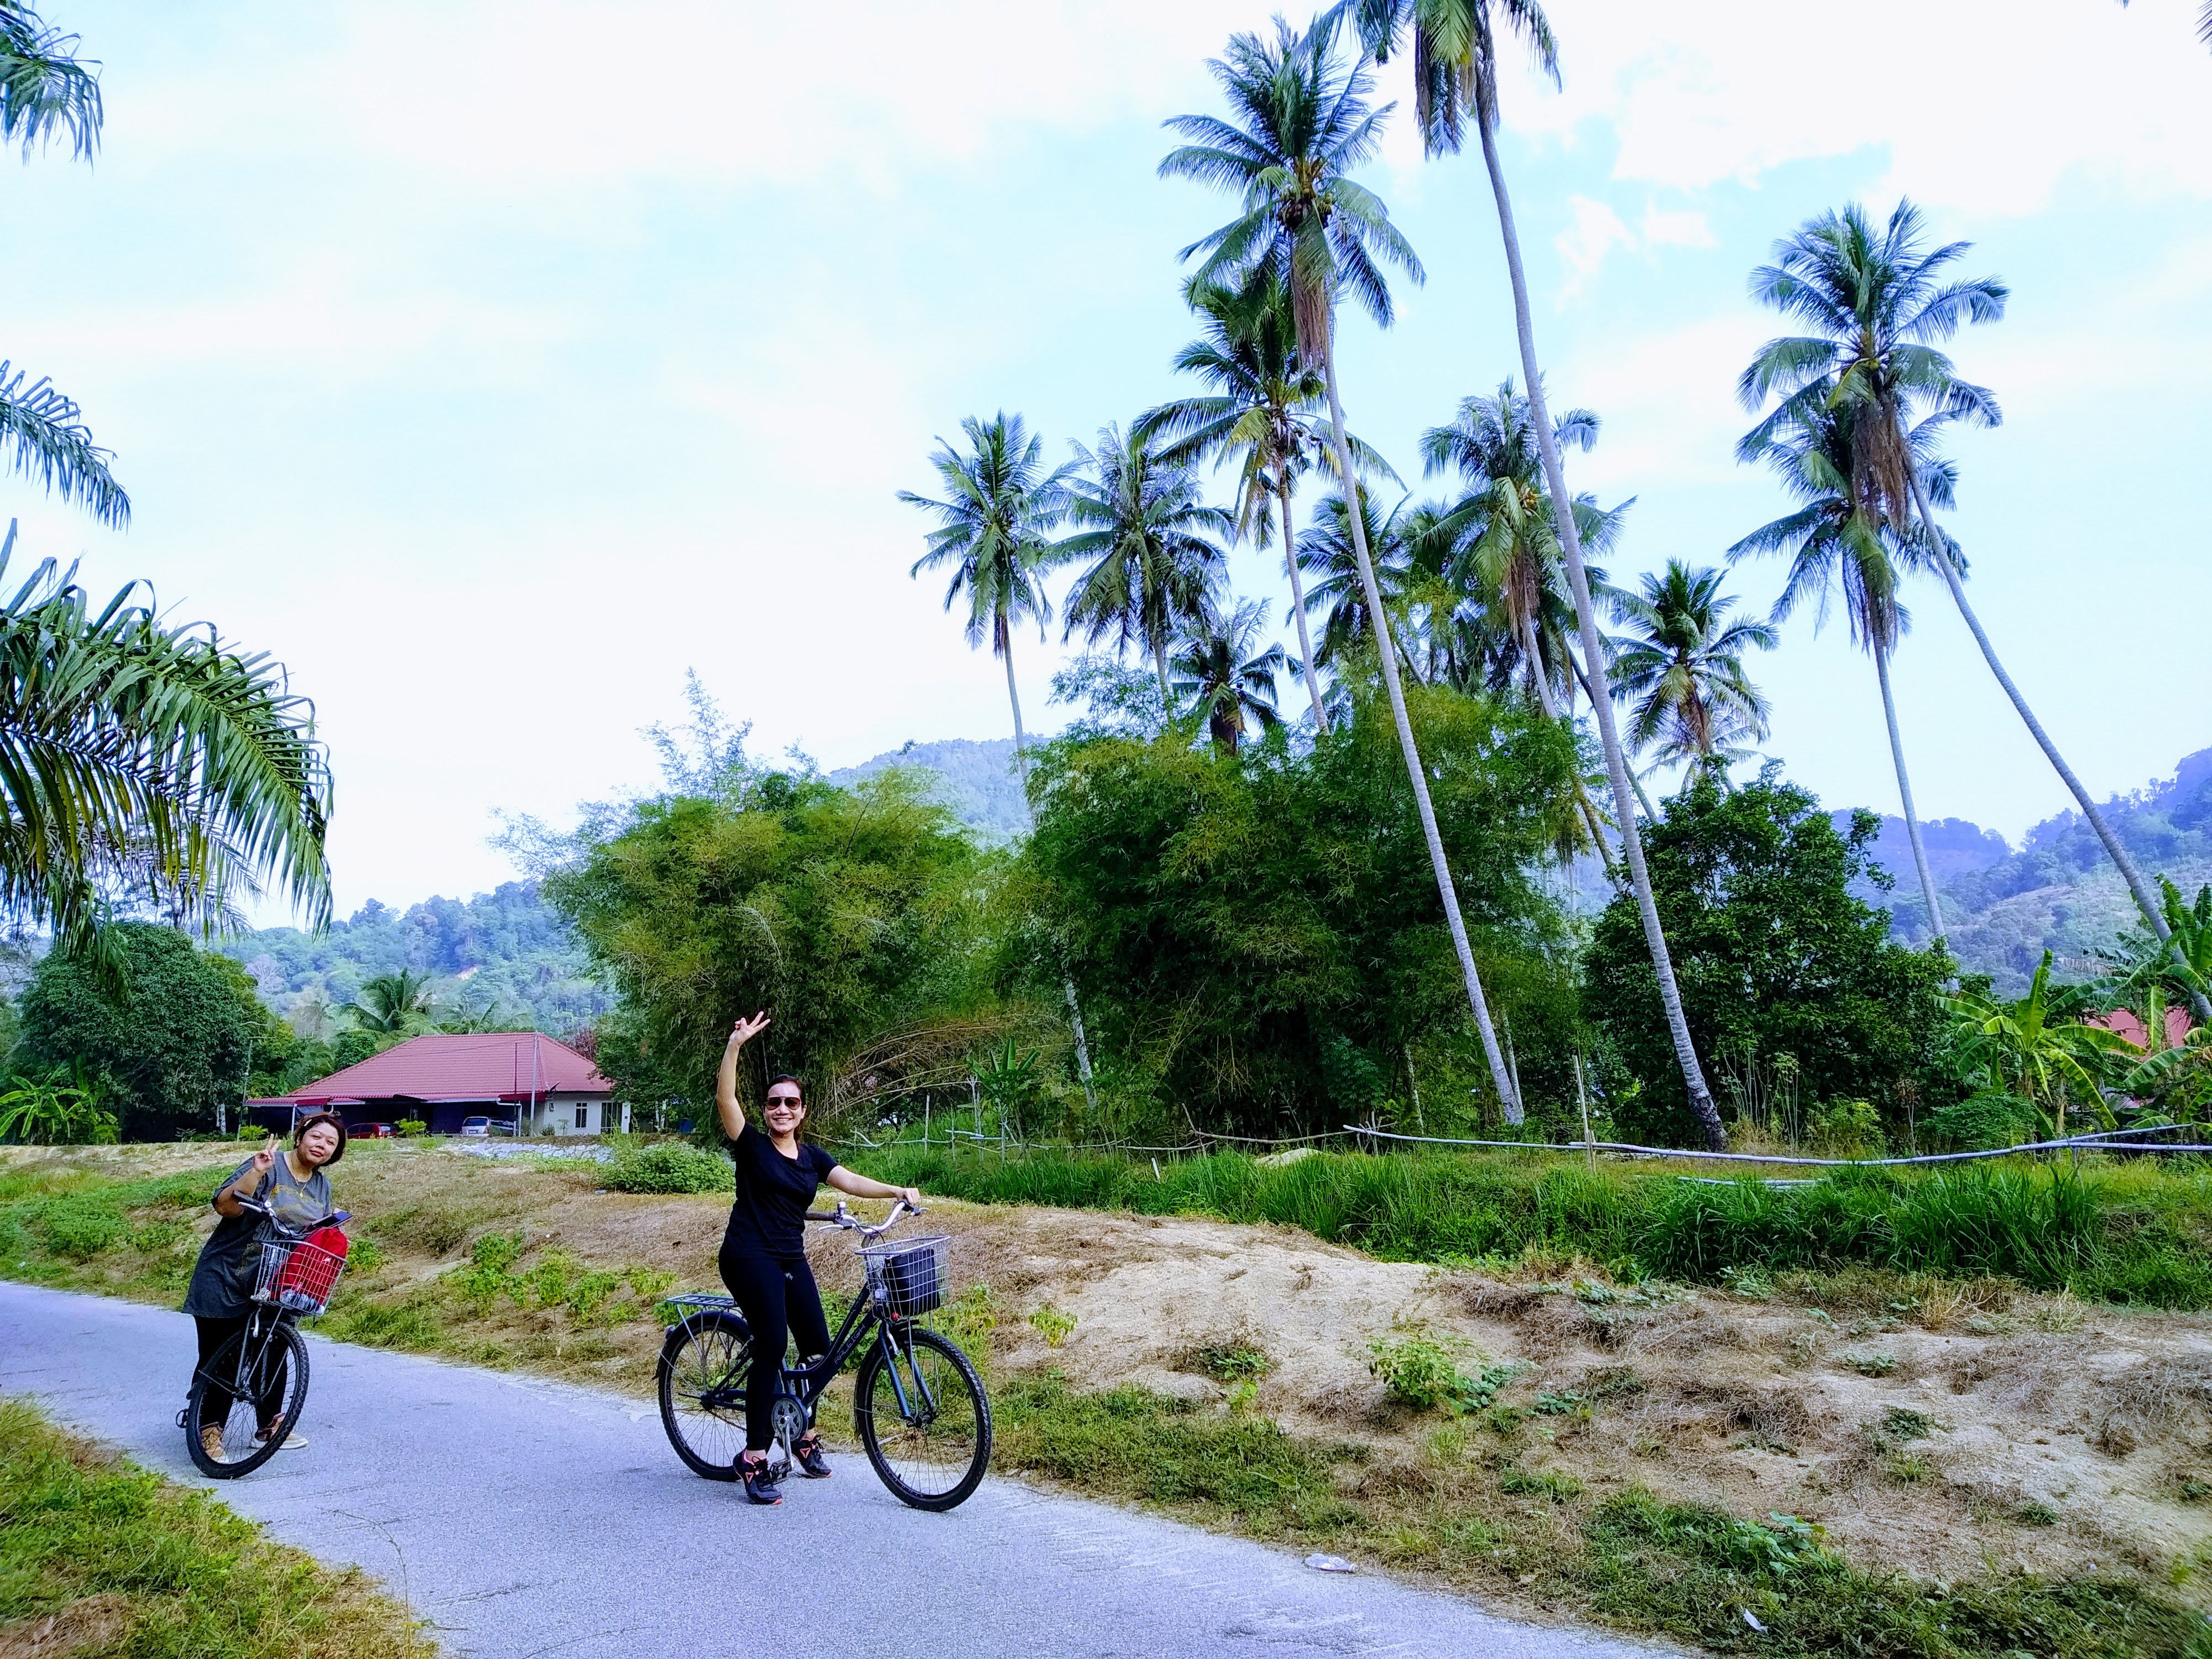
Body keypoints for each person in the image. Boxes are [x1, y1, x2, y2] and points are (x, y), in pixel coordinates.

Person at [717, 1011, 920, 1506]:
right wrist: (735, 1046)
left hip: (788, 1256)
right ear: (765, 1111)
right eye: (773, 1103)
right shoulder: (752, 1148)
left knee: (818, 1350)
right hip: (748, 1255)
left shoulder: (811, 1158)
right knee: (772, 1344)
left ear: (802, 1111)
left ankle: (801, 1431)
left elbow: (851, 1182)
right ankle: (755, 1457)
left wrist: (896, 1190)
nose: (781, 1109)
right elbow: (726, 1099)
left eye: (790, 1103)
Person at [181, 1114, 346, 1461]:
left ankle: (269, 1424)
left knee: (274, 1347)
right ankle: (209, 1430)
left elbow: (315, 1230)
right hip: (228, 1272)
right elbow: (225, 1207)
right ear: (300, 1137)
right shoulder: (269, 1164)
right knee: (221, 1356)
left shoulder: (322, 1186)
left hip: (276, 1276)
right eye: (316, 1137)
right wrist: (256, 1172)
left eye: (330, 1143)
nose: (322, 1145)